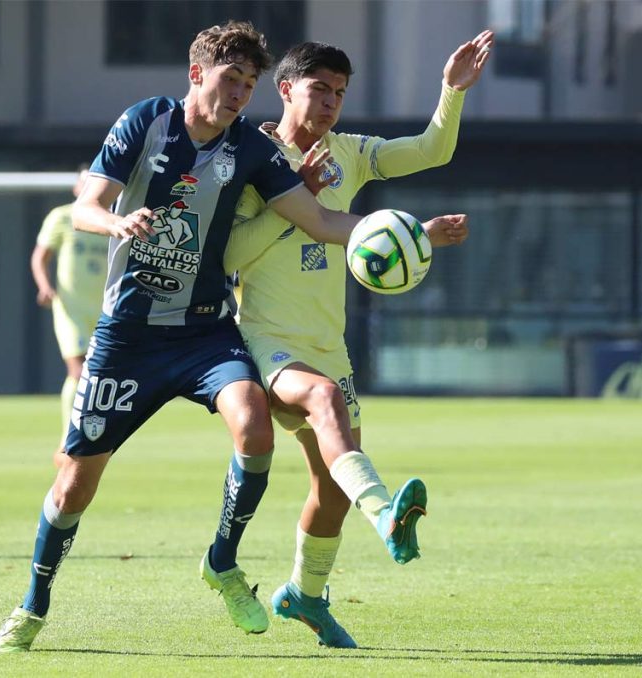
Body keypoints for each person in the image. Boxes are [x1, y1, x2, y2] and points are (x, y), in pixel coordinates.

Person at [0, 20, 467, 653]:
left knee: (254, 425)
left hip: (205, 334)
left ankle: (224, 561)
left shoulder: (255, 151)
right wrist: (114, 220)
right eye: (230, 79)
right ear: (197, 75)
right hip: (129, 334)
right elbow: (85, 206)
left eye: (248, 83)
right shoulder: (145, 122)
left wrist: (405, 237)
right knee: (76, 482)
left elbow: (320, 219)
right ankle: (32, 606)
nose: (240, 93)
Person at [222, 32, 491, 647]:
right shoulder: (246, 157)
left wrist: (450, 92)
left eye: (340, 93)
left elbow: (430, 151)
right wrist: (300, 200)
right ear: (286, 89)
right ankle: (388, 515)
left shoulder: (350, 151)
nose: (330, 104)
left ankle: (304, 597)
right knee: (324, 402)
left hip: (327, 343)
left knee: (329, 492)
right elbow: (233, 254)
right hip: (264, 339)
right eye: (319, 90)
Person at [30, 167, 109, 465]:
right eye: (84, 180)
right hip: (71, 308)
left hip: (104, 308)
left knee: (97, 376)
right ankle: (67, 441)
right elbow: (40, 256)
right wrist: (45, 286)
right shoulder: (62, 217)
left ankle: (89, 438)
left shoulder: (108, 219)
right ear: (77, 187)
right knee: (78, 371)